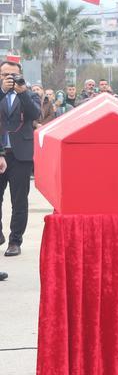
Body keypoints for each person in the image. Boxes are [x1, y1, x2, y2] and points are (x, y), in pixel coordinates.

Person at [0, 59, 39, 256]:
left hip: (20, 155)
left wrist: (22, 92)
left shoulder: (29, 94)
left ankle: (15, 241)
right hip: (0, 154)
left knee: (19, 201)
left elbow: (35, 114)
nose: (8, 78)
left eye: (12, 75)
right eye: (4, 74)